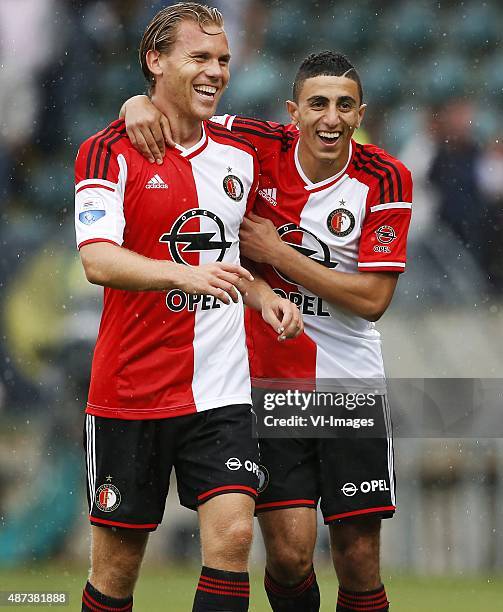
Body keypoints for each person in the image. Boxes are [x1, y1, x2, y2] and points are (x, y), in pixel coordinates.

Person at [123, 50, 413, 612]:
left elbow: (374, 299)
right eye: (318, 104)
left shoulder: (385, 176)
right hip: (270, 382)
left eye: (344, 105)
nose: (330, 117)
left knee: (356, 556)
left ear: (360, 114)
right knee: (289, 554)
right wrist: (134, 102)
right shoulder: (257, 142)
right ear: (293, 111)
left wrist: (280, 254)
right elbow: (177, 110)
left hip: (349, 385)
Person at [74, 4, 302, 612]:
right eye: (199, 58)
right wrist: (187, 275)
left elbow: (231, 262)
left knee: (232, 537)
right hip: (130, 390)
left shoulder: (241, 149)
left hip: (219, 393)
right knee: (117, 572)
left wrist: (265, 294)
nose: (216, 71)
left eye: (223, 60)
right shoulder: (106, 152)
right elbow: (98, 259)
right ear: (155, 61)